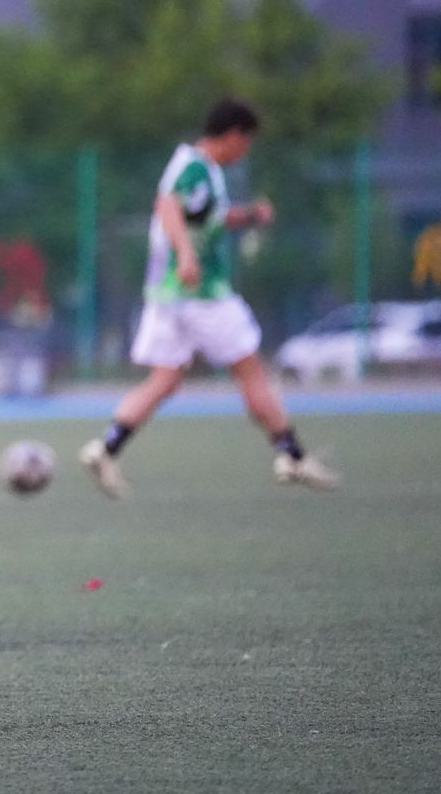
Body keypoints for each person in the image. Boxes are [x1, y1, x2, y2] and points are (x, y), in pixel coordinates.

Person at [80, 98, 338, 498]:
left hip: (167, 295)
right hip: (201, 294)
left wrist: (250, 215)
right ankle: (291, 456)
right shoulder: (194, 167)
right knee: (251, 372)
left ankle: (106, 448)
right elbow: (167, 206)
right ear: (233, 134)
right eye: (246, 141)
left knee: (164, 381)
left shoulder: (205, 172)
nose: (246, 150)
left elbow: (209, 219)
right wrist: (186, 253)